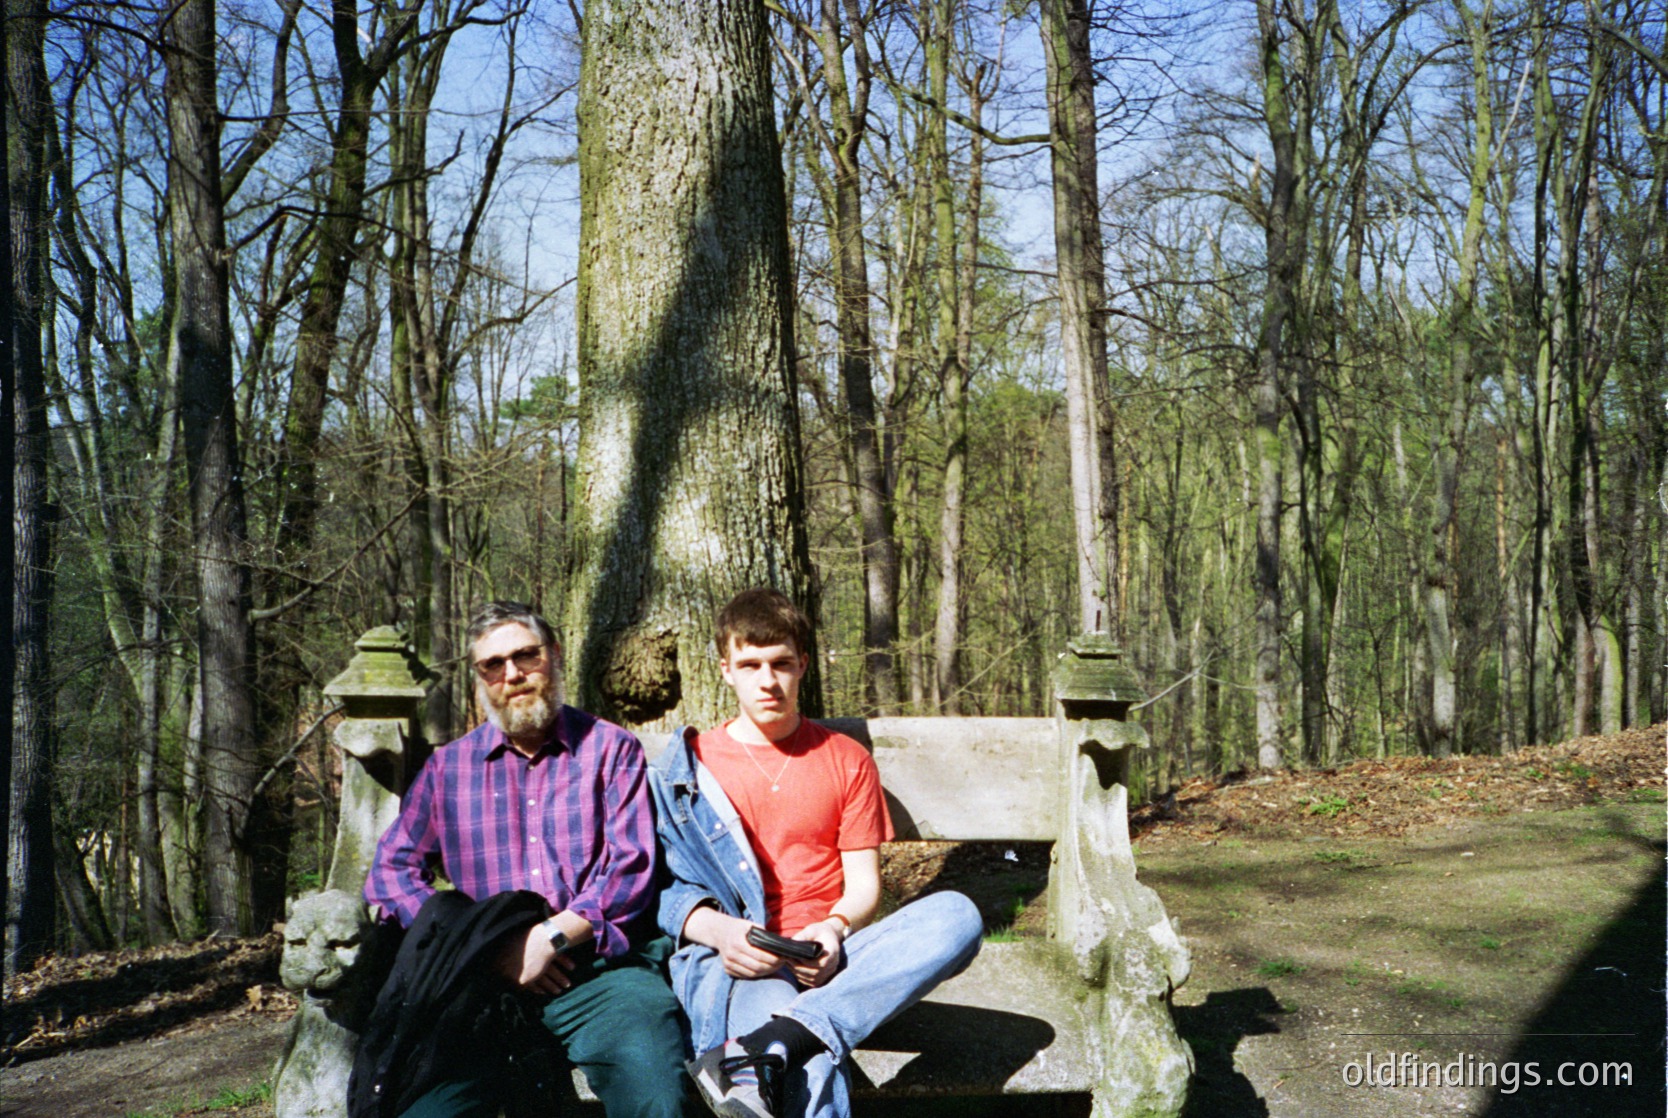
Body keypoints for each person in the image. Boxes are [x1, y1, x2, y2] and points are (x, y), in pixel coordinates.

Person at [650, 589, 983, 1118]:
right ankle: (786, 1039)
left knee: (957, 915)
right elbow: (663, 890)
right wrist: (720, 933)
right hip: (746, 962)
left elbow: (863, 886)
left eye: (781, 663)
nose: (768, 680)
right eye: (750, 664)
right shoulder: (689, 769)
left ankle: (778, 1038)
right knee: (806, 1064)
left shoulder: (844, 758)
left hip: (831, 958)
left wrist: (833, 928)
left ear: (803, 664)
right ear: (724, 670)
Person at [362, 600, 690, 1118]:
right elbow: (390, 873)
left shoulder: (609, 751)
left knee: (655, 1092)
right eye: (493, 665)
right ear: (478, 679)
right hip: (479, 987)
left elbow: (630, 869)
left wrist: (548, 938)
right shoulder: (448, 771)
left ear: (554, 657)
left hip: (599, 975)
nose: (511, 674)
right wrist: (487, 945)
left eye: (525, 656)